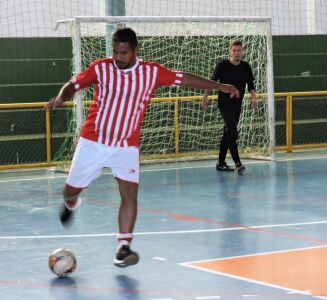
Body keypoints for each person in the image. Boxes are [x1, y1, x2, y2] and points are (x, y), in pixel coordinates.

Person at [45, 27, 239, 267]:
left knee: (129, 194)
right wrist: (62, 97)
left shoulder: (152, 72)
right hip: (93, 142)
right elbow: (74, 84)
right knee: (69, 191)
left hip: (126, 146)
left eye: (124, 52)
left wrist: (221, 86)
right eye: (115, 52)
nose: (118, 57)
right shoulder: (101, 67)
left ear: (135, 50)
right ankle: (71, 202)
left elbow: (185, 78)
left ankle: (123, 247)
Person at [202, 40, 257, 175]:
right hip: (224, 104)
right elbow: (211, 83)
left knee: (228, 133)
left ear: (242, 51)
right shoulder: (223, 65)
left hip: (237, 105)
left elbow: (250, 85)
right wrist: (205, 98)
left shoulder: (245, 67)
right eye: (234, 50)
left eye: (239, 50)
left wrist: (254, 97)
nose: (237, 53)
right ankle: (238, 164)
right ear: (230, 51)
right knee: (233, 131)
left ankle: (221, 164)